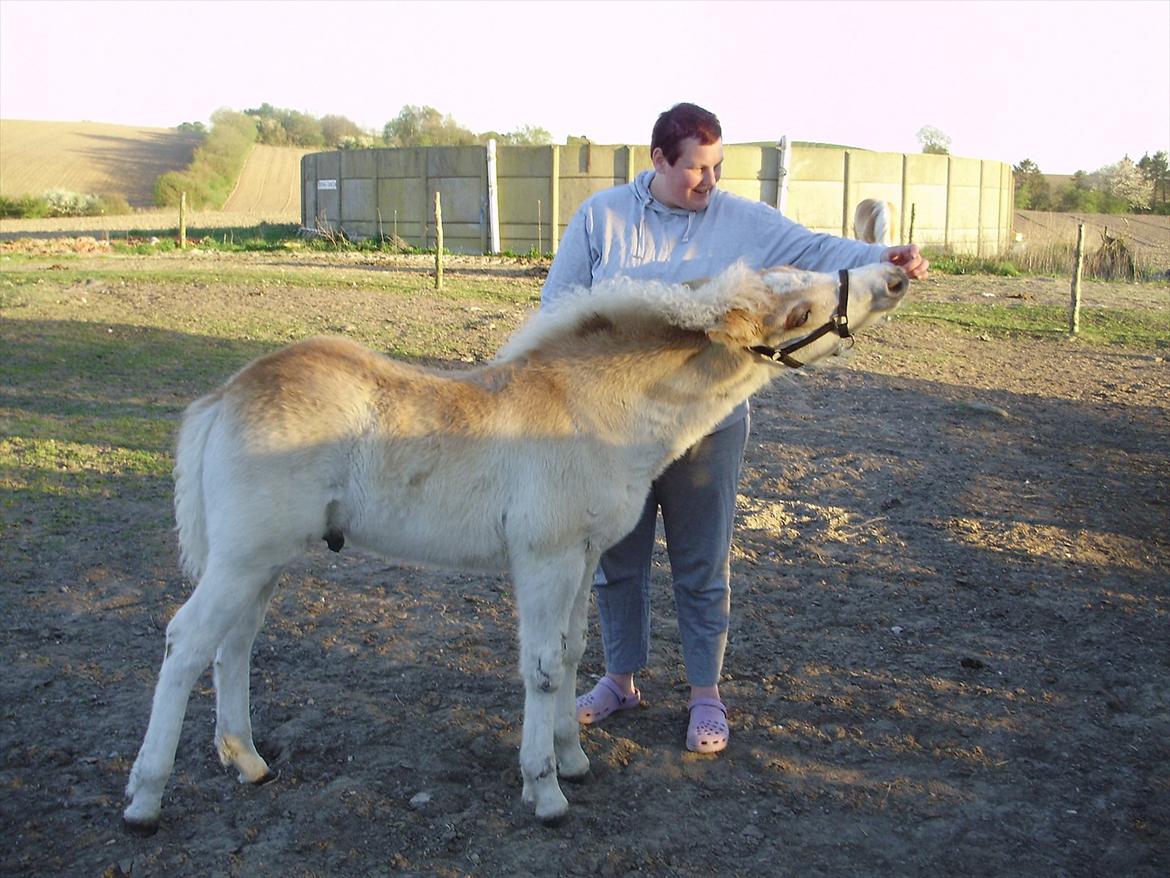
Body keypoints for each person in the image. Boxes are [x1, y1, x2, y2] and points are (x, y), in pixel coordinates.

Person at [540, 103, 928, 754]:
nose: (710, 181)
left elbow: (815, 249)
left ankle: (704, 695)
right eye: (696, 168)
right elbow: (558, 309)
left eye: (718, 166)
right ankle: (619, 680)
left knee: (701, 561)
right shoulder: (601, 218)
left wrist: (882, 258)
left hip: (707, 423)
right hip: (615, 431)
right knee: (617, 560)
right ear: (658, 159)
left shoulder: (743, 220)